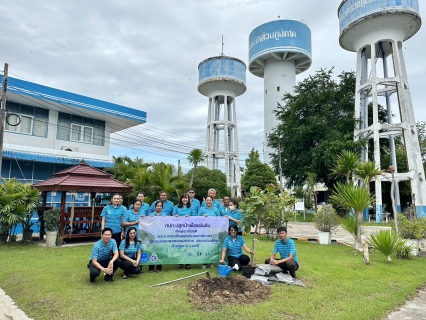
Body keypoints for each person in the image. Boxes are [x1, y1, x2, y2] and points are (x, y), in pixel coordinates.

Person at [173, 193, 194, 270]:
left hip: (189, 230)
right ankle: (180, 263)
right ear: (181, 199)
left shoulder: (192, 207)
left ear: (188, 199)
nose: (185, 199)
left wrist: (190, 217)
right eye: (183, 198)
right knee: (180, 247)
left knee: (188, 246)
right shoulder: (176, 207)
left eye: (186, 198)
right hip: (179, 230)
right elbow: (173, 215)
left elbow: (196, 217)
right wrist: (175, 216)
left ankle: (188, 264)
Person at [198, 196, 220, 269]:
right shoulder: (201, 209)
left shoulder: (216, 209)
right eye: (207, 200)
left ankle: (210, 262)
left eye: (210, 200)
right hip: (204, 231)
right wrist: (203, 217)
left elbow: (219, 219)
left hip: (213, 231)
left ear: (212, 201)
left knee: (212, 247)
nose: (209, 201)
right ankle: (204, 263)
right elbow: (197, 218)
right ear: (205, 201)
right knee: (204, 247)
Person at [149, 201, 164, 272]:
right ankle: (151, 268)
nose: (159, 207)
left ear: (162, 207)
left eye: (160, 206)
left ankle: (159, 268)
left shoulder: (164, 215)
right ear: (155, 207)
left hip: (161, 236)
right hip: (152, 235)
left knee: (160, 251)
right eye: (157, 206)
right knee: (152, 251)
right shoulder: (151, 215)